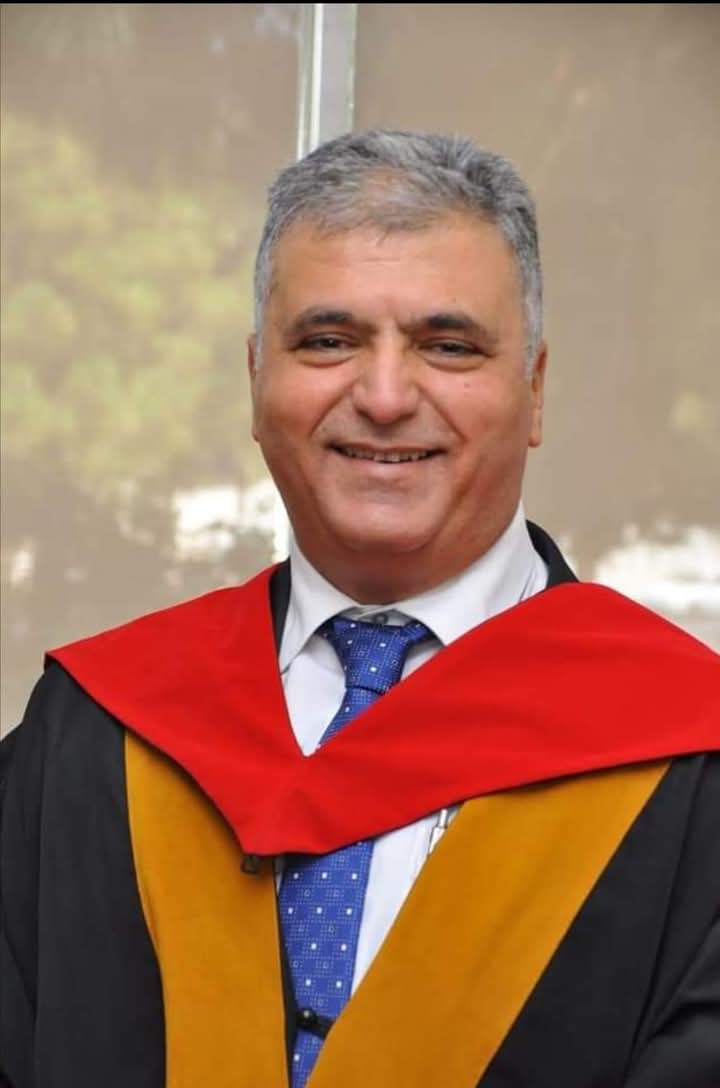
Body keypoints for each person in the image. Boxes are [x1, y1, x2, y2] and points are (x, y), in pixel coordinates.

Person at [1, 130, 718, 1088]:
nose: (383, 397)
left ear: (535, 391)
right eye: (328, 341)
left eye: (448, 346)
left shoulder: (689, 759)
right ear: (256, 377)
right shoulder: (93, 731)